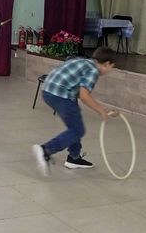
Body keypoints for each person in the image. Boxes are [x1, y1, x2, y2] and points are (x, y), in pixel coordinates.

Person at [32, 47, 116, 176]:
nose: (110, 70)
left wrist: (104, 109)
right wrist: (101, 111)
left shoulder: (83, 61)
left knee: (75, 123)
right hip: (59, 94)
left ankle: (74, 157)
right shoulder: (93, 71)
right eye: (112, 67)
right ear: (107, 63)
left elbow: (77, 90)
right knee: (78, 130)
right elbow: (84, 96)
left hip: (48, 89)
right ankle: (45, 150)